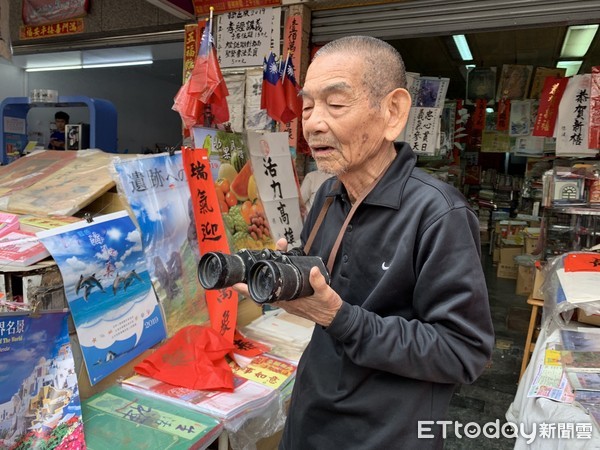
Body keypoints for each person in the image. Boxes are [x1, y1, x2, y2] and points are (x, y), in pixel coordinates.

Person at [233, 36, 494, 449]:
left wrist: (341, 317)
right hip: (311, 418)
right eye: (307, 106)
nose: (314, 123)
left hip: (386, 435)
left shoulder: (439, 213)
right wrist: (288, 281)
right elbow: (328, 290)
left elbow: (462, 352)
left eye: (335, 105)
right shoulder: (327, 193)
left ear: (393, 112)